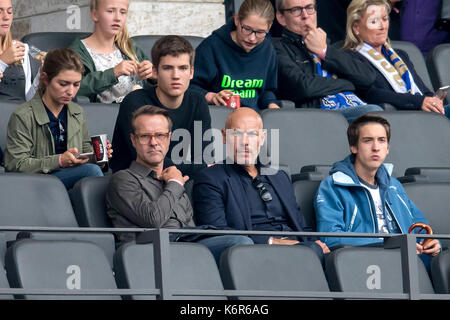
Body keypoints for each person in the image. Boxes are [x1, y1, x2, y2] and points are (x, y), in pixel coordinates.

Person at [106, 105, 253, 264]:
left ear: (169, 139)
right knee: (239, 245)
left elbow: (189, 226)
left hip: (186, 248)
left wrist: (173, 181)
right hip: (150, 253)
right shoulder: (123, 179)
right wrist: (175, 183)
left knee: (244, 243)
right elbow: (152, 219)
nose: (153, 142)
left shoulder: (173, 177)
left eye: (160, 135)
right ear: (133, 140)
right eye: (145, 136)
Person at [193, 107, 330, 264]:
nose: (245, 142)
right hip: (254, 256)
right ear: (224, 136)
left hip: (301, 249)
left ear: (262, 138)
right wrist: (273, 241)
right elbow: (218, 234)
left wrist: (316, 243)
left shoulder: (279, 177)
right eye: (237, 134)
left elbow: (301, 227)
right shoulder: (211, 178)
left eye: (252, 134)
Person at [314, 114, 441, 266]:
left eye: (382, 140)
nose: (376, 147)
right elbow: (330, 238)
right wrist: (390, 245)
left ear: (387, 148)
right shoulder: (333, 186)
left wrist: (431, 242)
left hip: (409, 263)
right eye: (368, 140)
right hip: (365, 264)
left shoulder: (394, 185)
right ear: (353, 147)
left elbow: (420, 226)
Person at [4, 48, 113, 190]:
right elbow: (15, 165)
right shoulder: (23, 115)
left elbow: (85, 151)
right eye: (63, 84)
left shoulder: (77, 112)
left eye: (76, 84)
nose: (71, 91)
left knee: (102, 176)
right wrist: (59, 161)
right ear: (45, 78)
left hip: (70, 181)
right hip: (36, 183)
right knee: (91, 173)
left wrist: (98, 155)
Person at [110, 35, 211, 178]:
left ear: (191, 73)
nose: (176, 76)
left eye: (183, 68)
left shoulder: (198, 101)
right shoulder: (135, 101)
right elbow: (147, 160)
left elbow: (204, 155)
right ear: (155, 72)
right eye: (168, 68)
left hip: (181, 178)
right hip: (136, 180)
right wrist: (196, 168)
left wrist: (194, 169)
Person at [273, 0, 383, 122]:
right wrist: (349, 84)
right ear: (281, 17)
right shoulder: (277, 48)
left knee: (384, 116)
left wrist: (324, 51)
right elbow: (303, 86)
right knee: (373, 114)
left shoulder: (331, 47)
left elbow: (368, 77)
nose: (305, 15)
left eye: (309, 8)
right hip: (321, 114)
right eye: (296, 10)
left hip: (355, 105)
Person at [343, 0, 450, 117]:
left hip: (421, 112)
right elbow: (372, 94)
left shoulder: (401, 55)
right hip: (394, 117)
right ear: (356, 28)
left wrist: (434, 99)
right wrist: (419, 102)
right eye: (374, 21)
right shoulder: (350, 58)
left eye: (384, 19)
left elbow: (423, 90)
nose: (382, 26)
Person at [190, 0, 280, 111]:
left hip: (254, 119)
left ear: (269, 27)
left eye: (260, 32)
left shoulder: (268, 49)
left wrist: (271, 104)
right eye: (247, 29)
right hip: (220, 115)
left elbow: (267, 90)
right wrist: (211, 96)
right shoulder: (212, 46)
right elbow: (189, 86)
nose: (252, 38)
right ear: (237, 20)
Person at [70, 0, 153, 103]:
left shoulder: (130, 48)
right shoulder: (77, 51)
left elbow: (151, 90)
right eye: (110, 11)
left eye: (122, 12)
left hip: (139, 113)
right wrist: (113, 73)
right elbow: (73, 88)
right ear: (95, 14)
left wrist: (153, 76)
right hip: (104, 115)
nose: (117, 18)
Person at [0, 0, 41, 101]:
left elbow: (28, 99)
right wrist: (2, 62)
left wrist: (41, 75)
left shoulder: (20, 49)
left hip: (19, 115)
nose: (6, 17)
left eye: (9, 12)